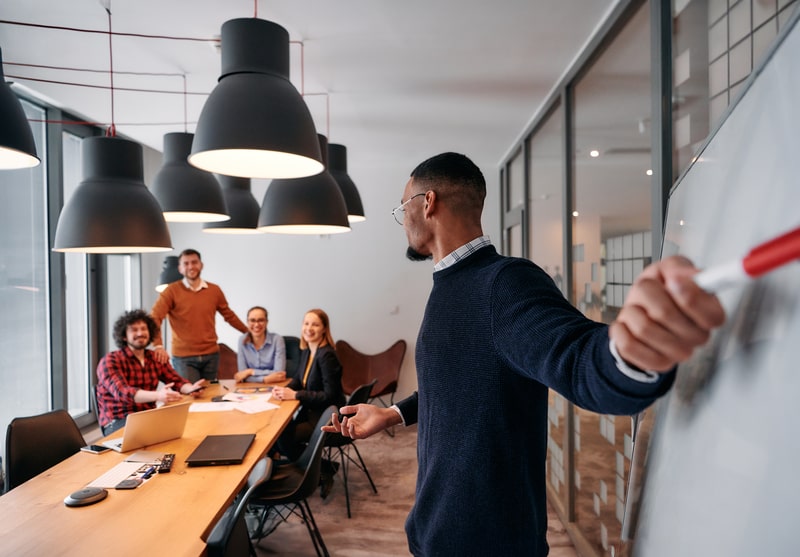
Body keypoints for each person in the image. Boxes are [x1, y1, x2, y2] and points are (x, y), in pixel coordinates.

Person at [323, 152, 726, 556]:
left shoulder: (503, 283)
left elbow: (579, 360)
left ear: (427, 203)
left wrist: (633, 349)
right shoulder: (449, 285)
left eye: (403, 206)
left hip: (489, 541)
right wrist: (393, 414)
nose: (403, 218)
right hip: (436, 528)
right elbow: (456, 383)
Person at [96, 309, 206, 436]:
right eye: (134, 330)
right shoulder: (110, 360)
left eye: (144, 329)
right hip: (117, 421)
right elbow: (123, 393)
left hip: (148, 417)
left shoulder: (154, 357)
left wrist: (191, 389)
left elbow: (176, 380)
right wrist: (158, 395)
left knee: (190, 428)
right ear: (124, 336)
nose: (140, 333)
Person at [150, 248, 248, 383]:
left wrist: (248, 333)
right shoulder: (170, 291)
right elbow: (155, 317)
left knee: (208, 397)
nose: (191, 267)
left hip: (211, 355)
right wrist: (158, 345)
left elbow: (229, 316)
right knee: (190, 396)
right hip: (184, 357)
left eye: (194, 262)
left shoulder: (214, 290)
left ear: (201, 265)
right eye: (186, 263)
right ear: (180, 268)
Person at [272, 309, 346, 466]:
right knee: (276, 432)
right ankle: (318, 468)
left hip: (326, 417)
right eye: (306, 323)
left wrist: (296, 395)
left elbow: (330, 395)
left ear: (324, 329)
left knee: (282, 438)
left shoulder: (327, 356)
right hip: (310, 412)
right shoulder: (308, 350)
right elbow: (299, 379)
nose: (309, 328)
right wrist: (283, 391)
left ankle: (324, 469)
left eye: (315, 324)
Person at [234, 306, 287, 384]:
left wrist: (251, 372)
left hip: (275, 386)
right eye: (252, 320)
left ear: (266, 322)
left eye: (261, 320)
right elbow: (242, 375)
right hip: (249, 388)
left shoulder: (277, 340)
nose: (256, 324)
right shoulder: (242, 340)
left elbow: (279, 373)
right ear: (247, 322)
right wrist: (264, 379)